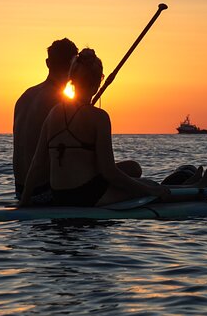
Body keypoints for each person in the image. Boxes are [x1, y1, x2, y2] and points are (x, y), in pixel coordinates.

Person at [18, 48, 207, 208]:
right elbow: (109, 172)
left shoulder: (53, 113)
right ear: (98, 83)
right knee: (149, 187)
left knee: (143, 181)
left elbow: (36, 164)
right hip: (86, 196)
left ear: (71, 80)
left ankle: (192, 186)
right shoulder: (99, 118)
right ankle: (197, 190)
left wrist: (25, 202)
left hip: (60, 195)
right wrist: (149, 192)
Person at [13, 38, 141, 200]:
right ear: (74, 67)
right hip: (49, 191)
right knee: (133, 169)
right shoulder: (61, 103)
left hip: (22, 191)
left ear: (48, 63)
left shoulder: (24, 97)